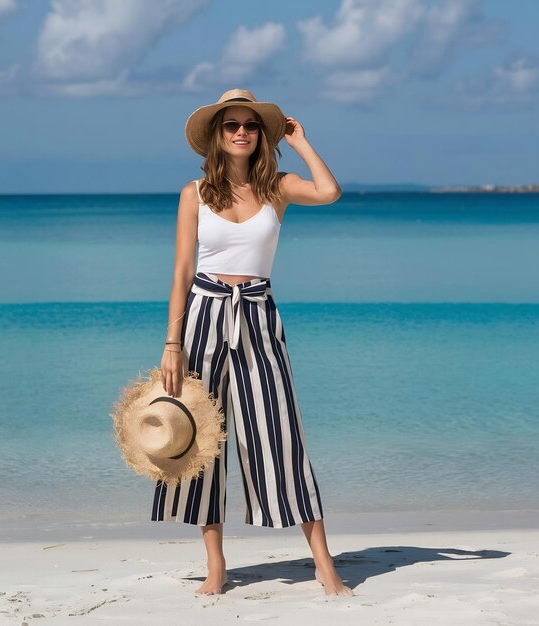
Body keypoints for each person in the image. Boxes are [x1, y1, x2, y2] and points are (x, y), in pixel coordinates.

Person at [156, 88, 354, 597]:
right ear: (216, 137)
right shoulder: (194, 194)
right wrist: (172, 343)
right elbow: (180, 271)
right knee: (203, 439)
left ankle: (324, 562)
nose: (241, 132)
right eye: (231, 125)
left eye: (249, 125)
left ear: (261, 134)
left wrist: (302, 141)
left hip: (260, 316)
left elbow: (330, 191)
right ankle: (216, 565)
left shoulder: (279, 187)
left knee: (282, 432)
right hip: (203, 314)